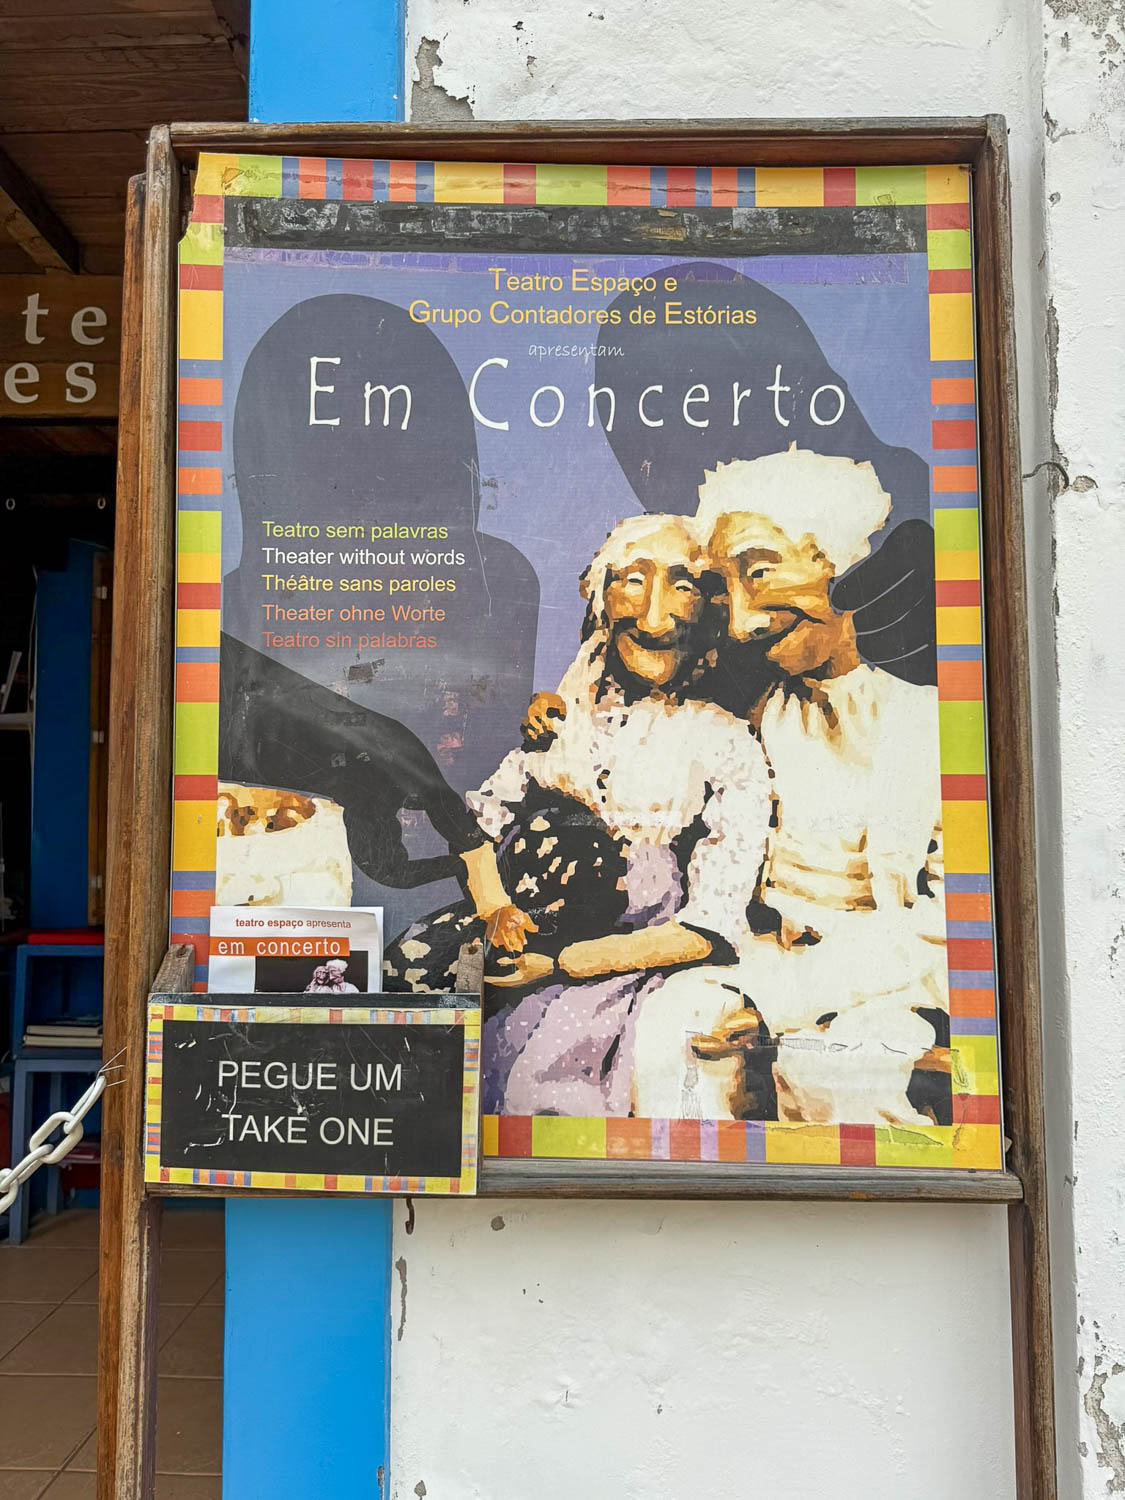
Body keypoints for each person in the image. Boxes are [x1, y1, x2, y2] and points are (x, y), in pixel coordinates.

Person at [383, 513, 772, 1116]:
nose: (653, 616)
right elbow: (479, 820)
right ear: (600, 601)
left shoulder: (726, 746)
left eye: (681, 585)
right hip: (518, 927)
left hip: (619, 953)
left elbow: (710, 924)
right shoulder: (567, 721)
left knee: (539, 1087)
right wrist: (492, 905)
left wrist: (561, 963)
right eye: (633, 580)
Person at [631, 448, 948, 1126]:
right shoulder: (759, 710)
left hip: (886, 983)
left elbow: (944, 923)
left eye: (761, 571)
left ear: (840, 564)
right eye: (725, 588)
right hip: (763, 958)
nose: (742, 618)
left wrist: (780, 1005)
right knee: (668, 1033)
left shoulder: (935, 726)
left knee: (832, 1072)